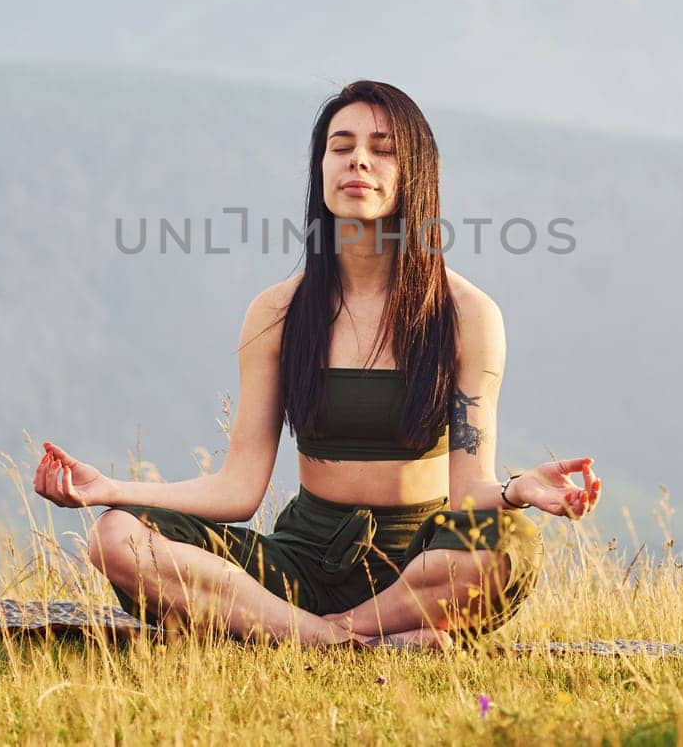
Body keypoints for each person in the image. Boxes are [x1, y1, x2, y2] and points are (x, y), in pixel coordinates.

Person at [34, 80, 602, 647]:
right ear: (321, 168)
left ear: (416, 176)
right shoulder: (277, 312)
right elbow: (237, 490)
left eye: (382, 149)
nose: (358, 159)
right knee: (116, 538)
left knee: (509, 545)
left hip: (416, 566)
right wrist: (109, 488)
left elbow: (470, 493)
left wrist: (517, 490)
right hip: (301, 564)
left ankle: (335, 633)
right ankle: (338, 638)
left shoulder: (466, 315)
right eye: (341, 145)